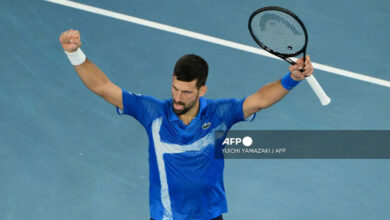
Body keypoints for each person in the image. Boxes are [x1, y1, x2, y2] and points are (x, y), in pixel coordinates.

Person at [59, 29, 313, 220]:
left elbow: (260, 100)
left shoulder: (219, 114)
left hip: (210, 216)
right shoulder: (152, 112)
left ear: (202, 90)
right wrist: (74, 53)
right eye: (175, 88)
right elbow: (103, 87)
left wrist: (291, 79)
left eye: (186, 92)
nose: (177, 98)